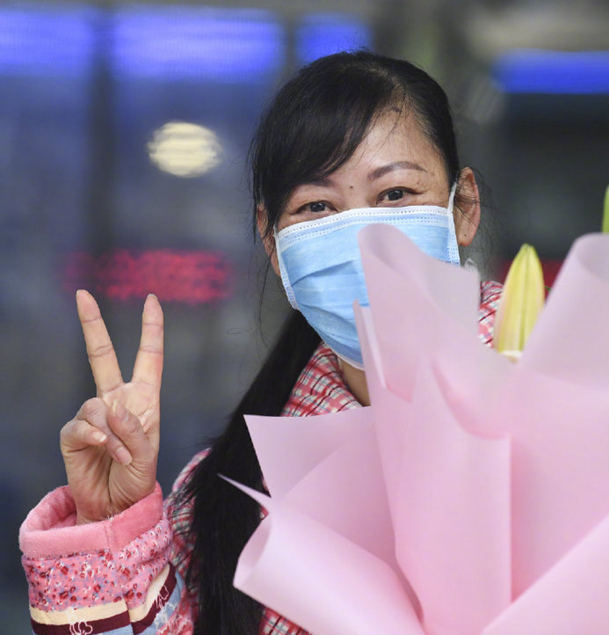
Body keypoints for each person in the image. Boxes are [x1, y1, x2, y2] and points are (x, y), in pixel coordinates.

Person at [20, 51, 502, 634]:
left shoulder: (568, 399)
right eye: (317, 206)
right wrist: (111, 528)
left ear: (463, 208)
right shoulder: (229, 494)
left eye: (396, 194)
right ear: (274, 244)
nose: (363, 239)